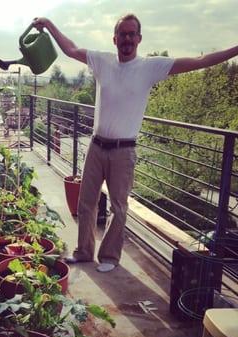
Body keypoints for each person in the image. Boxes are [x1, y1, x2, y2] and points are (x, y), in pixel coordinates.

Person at [32, 14, 238, 272]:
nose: (127, 39)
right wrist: (49, 24)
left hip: (124, 150)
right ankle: (84, 252)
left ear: (139, 38)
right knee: (86, 203)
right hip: (96, 147)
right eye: (123, 34)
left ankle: (109, 257)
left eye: (132, 34)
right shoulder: (102, 61)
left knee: (118, 208)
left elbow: (199, 61)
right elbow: (71, 49)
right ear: (114, 38)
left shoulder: (150, 67)